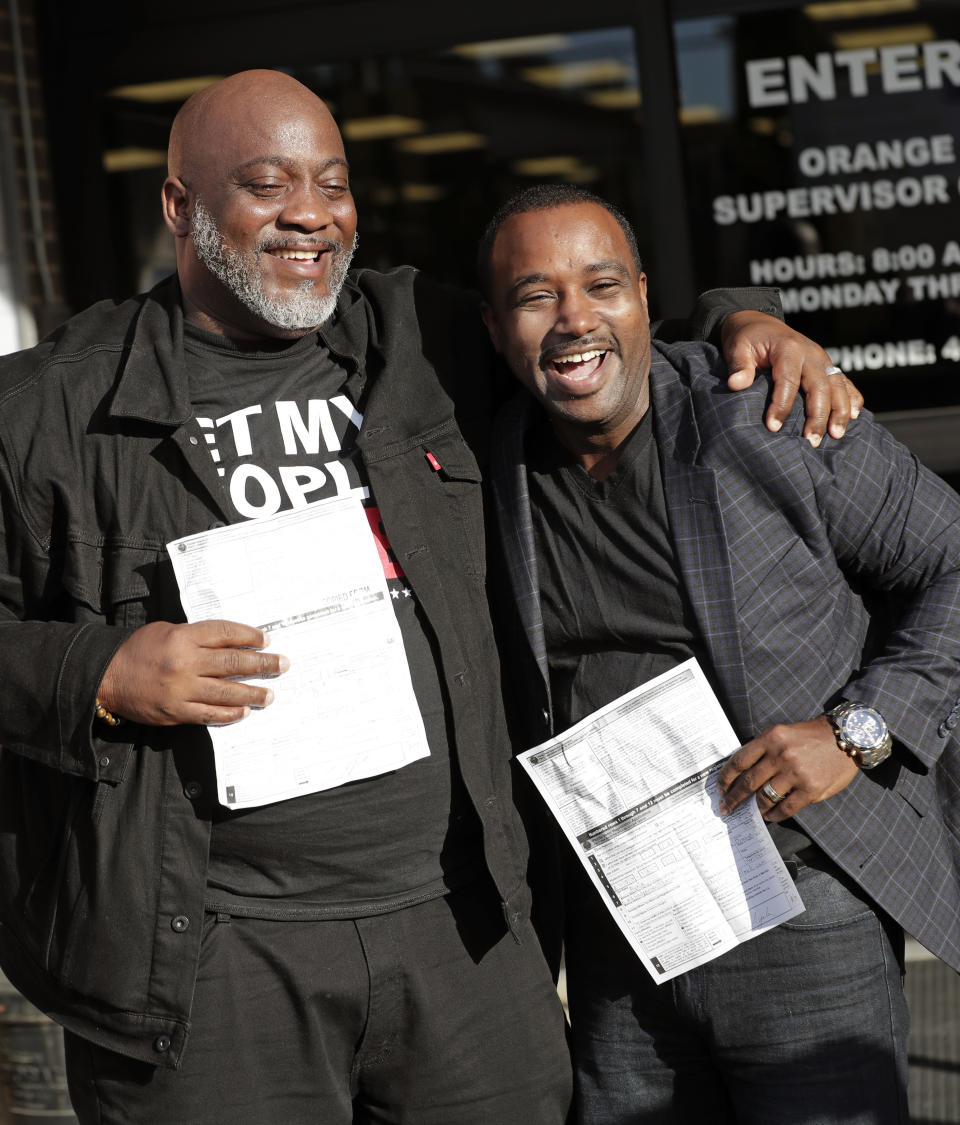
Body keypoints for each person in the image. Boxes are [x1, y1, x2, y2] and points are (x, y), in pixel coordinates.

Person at [0, 71, 854, 1124]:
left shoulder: (425, 342)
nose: (311, 212)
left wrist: (740, 319)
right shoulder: (50, 411)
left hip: (463, 937)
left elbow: (595, 332)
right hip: (214, 959)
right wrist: (101, 673)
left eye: (333, 181)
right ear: (180, 207)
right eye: (267, 184)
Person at [480, 183, 960, 1125]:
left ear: (644, 299)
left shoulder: (765, 416)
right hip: (621, 933)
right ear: (494, 328)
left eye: (602, 284)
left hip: (800, 902)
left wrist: (856, 730)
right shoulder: (484, 459)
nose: (575, 318)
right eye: (537, 297)